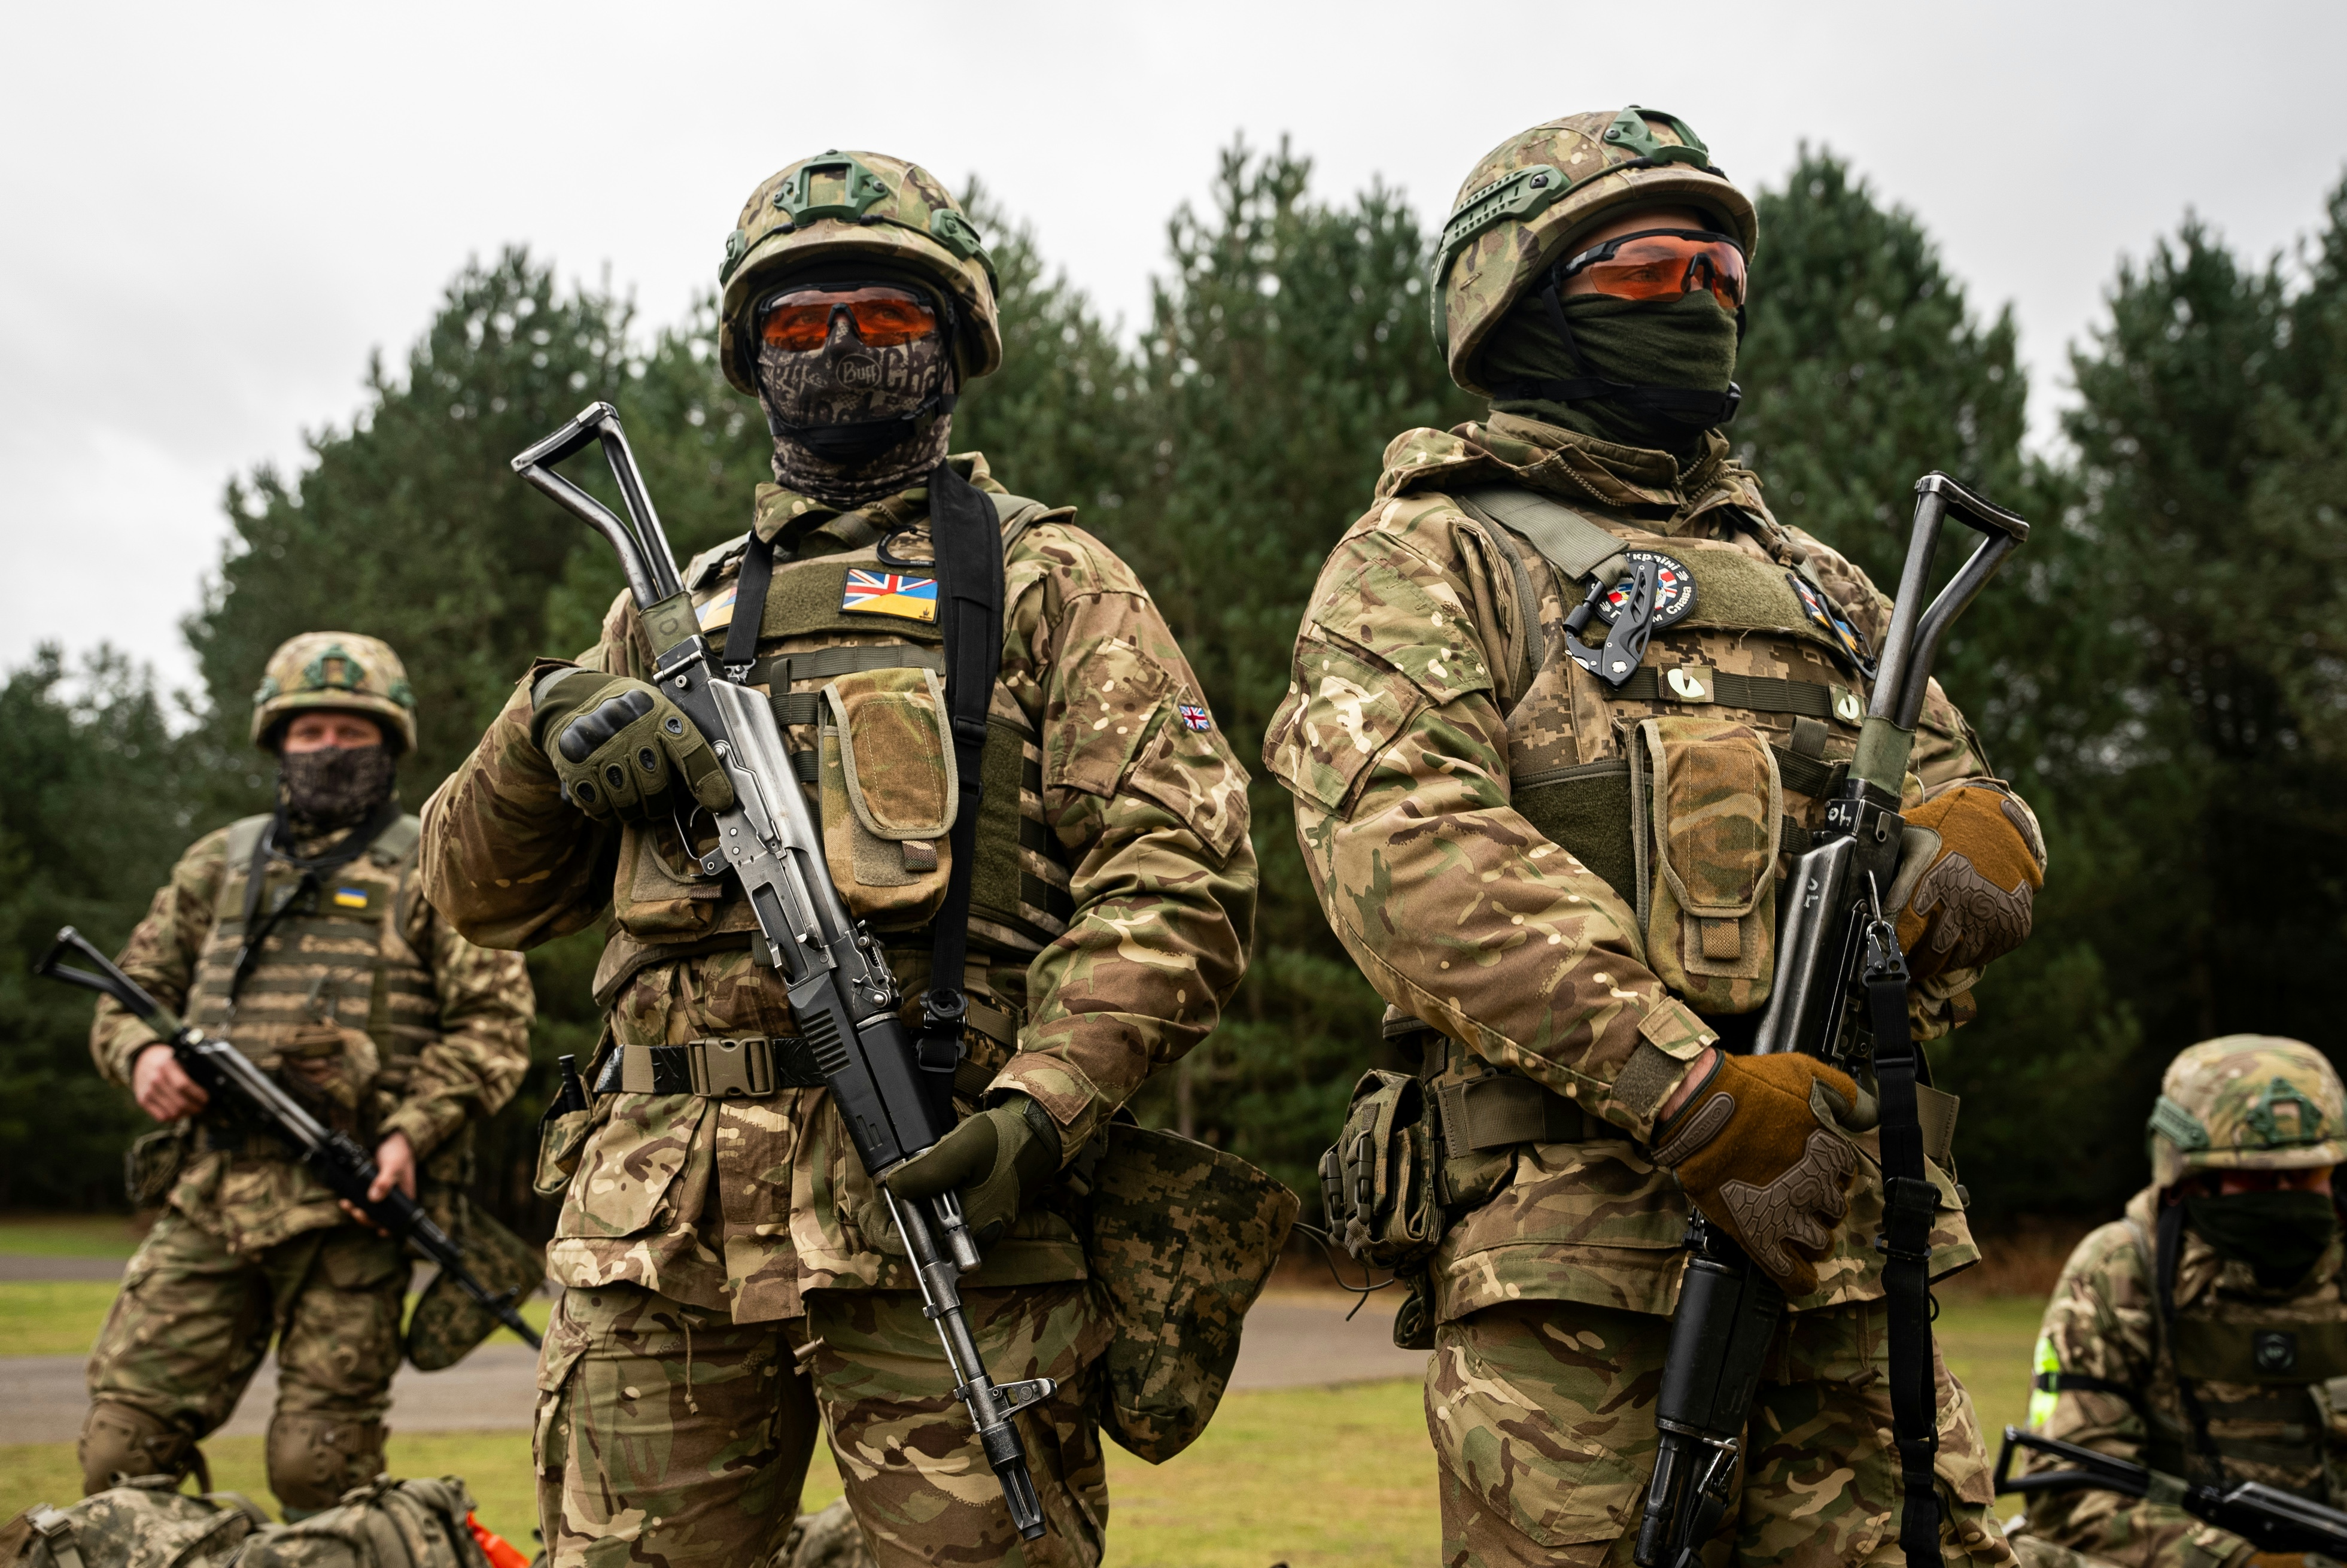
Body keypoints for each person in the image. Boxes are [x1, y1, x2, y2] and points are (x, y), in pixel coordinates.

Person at [418, 148, 1255, 1568]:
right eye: (802, 323)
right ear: (753, 356)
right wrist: (537, 730)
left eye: (884, 312)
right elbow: (474, 898)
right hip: (659, 1223)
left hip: (943, 1184)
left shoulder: (1050, 579)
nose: (845, 345)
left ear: (954, 341)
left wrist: (1045, 1110)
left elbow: (1179, 877)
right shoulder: (660, 615)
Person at [1263, 106, 2050, 1566]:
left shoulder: (1826, 590)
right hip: (1581, 1259)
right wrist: (1689, 1090)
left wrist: (1992, 847)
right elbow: (1406, 851)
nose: (1698, 298)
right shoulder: (1429, 555)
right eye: (1643, 272)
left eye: (1720, 275)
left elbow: (1959, 793)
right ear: (1516, 299)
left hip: (1852, 1245)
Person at [80, 631, 534, 1514]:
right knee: (119, 1450)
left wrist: (411, 1132)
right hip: (210, 1197)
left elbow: (495, 1027)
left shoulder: (432, 863)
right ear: (277, 741)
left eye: (350, 731)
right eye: (309, 731)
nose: (329, 749)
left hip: (354, 1210)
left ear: (389, 742)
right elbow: (124, 998)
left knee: (315, 1470)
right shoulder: (218, 863)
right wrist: (141, 1058)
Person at [2012, 1037, 2347, 1568]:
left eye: (2306, 1176)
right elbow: (2071, 1493)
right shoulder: (2122, 1270)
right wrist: (2244, 1564)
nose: (2284, 1194)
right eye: (2257, 1179)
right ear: (2188, 1180)